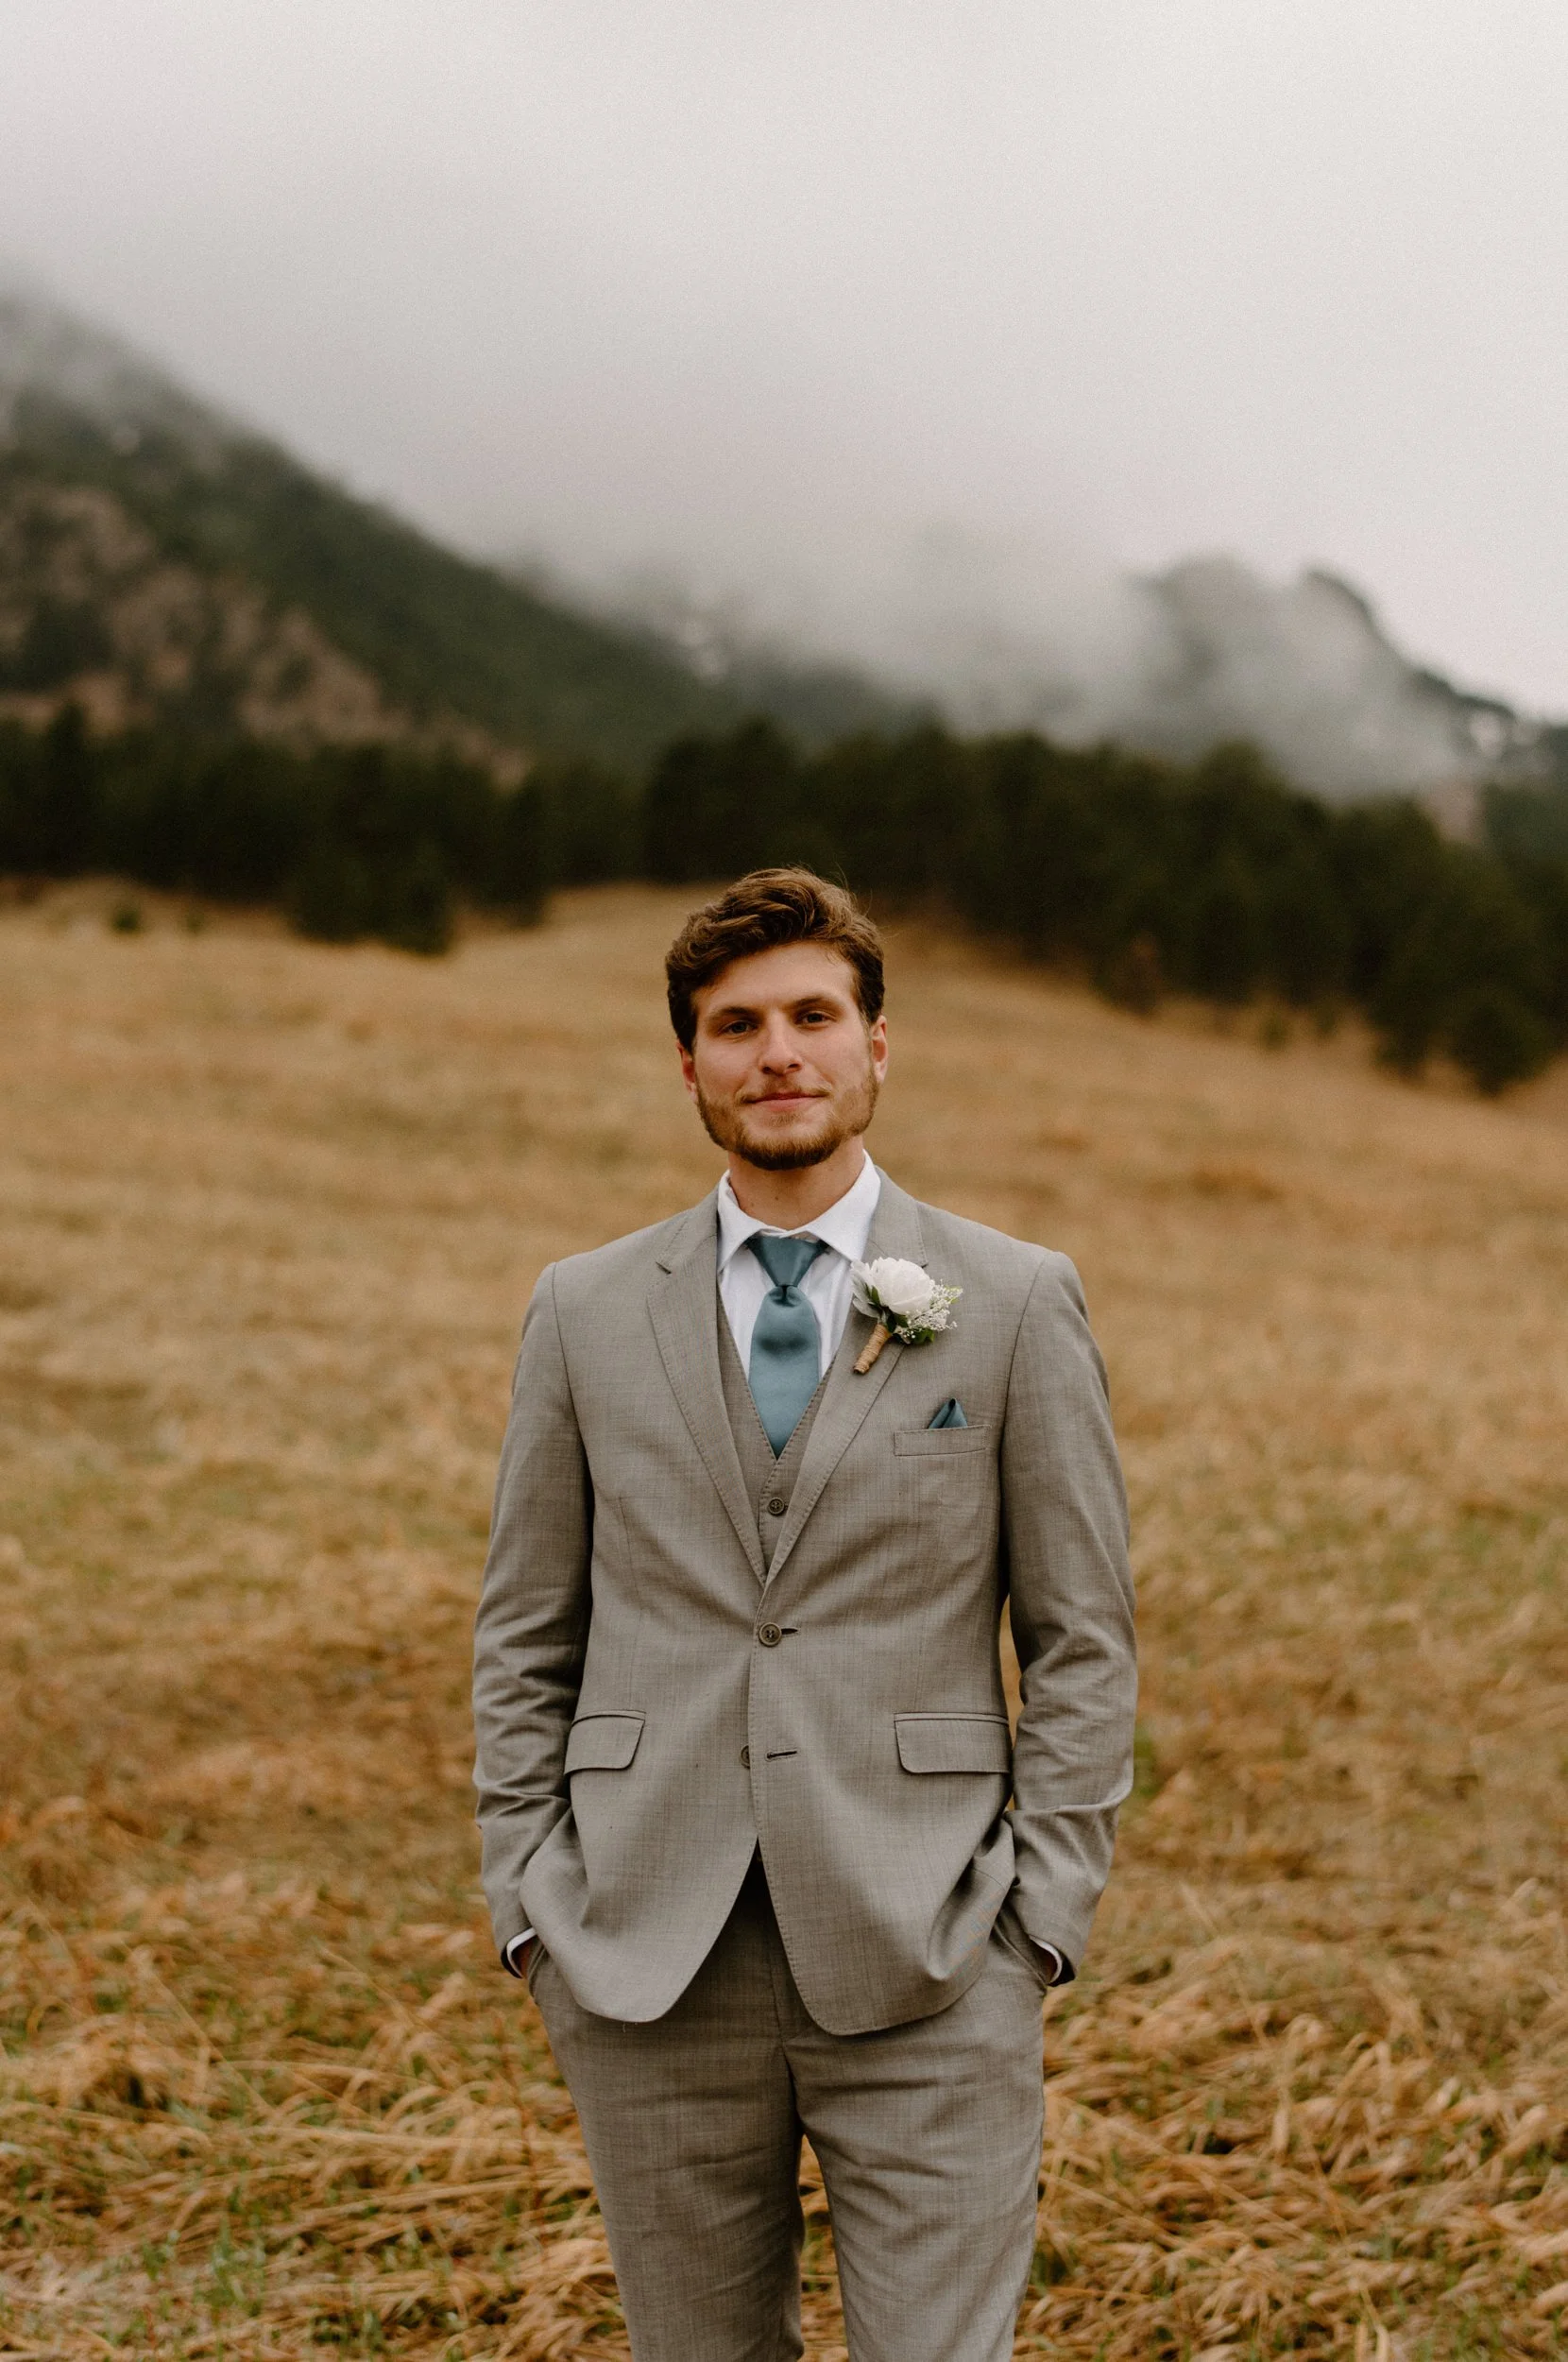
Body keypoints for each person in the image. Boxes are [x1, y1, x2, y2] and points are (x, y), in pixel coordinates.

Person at [472, 866, 1136, 2362]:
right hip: (648, 1957)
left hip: (935, 1948)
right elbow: (526, 1630)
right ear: (690, 1063)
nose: (779, 1051)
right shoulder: (582, 1309)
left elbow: (1085, 1637)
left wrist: (1041, 1923)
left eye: (814, 1016)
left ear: (876, 1047)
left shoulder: (1017, 1301)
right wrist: (531, 1905)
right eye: (737, 1024)